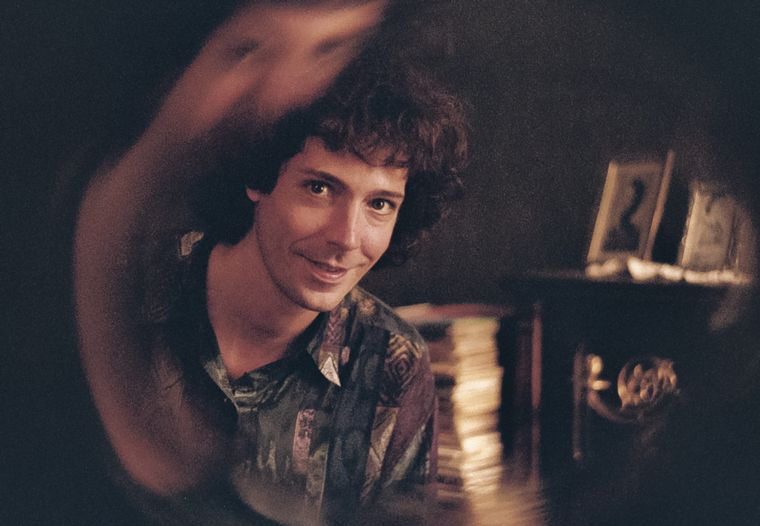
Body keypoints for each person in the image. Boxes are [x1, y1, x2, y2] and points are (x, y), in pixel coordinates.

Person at [73, 1, 468, 524]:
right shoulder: (126, 290)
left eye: (379, 204)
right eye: (319, 188)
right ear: (256, 178)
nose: (347, 238)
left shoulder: (392, 364)